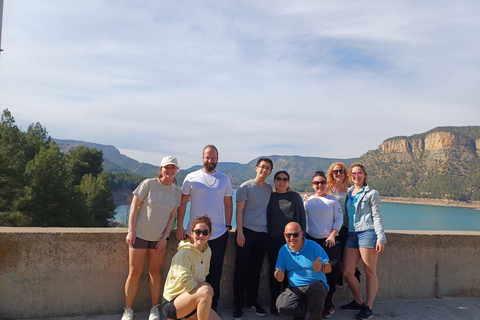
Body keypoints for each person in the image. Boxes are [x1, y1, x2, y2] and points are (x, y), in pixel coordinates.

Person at [122, 156, 182, 320]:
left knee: (154, 272)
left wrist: (165, 237)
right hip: (139, 235)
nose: (169, 171)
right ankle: (128, 309)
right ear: (161, 169)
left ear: (177, 170)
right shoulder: (148, 184)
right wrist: (131, 231)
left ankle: (154, 308)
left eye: (173, 168)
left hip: (158, 239)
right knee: (134, 272)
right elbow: (134, 207)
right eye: (166, 167)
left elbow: (172, 217)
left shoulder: (177, 191)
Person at [176, 145, 234, 311]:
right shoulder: (191, 177)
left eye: (213, 157)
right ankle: (191, 307)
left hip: (218, 235)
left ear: (217, 158)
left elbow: (228, 204)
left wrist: (228, 225)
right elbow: (182, 204)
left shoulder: (224, 179)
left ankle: (211, 308)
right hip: (194, 235)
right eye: (207, 157)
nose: (210, 160)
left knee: (215, 272)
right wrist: (180, 226)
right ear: (203, 158)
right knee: (191, 272)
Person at [341, 163, 387, 320]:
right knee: (347, 271)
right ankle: (358, 302)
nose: (356, 176)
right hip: (352, 234)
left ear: (365, 175)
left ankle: (368, 307)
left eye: (359, 173)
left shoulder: (372, 193)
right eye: (353, 173)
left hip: (367, 233)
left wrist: (380, 238)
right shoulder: (348, 193)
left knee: (369, 271)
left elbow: (377, 216)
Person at [233, 158, 274, 320]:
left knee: (255, 271)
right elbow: (239, 211)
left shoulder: (269, 189)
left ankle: (252, 302)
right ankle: (238, 305)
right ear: (256, 168)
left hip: (262, 235)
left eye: (268, 168)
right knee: (241, 269)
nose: (264, 170)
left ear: (270, 171)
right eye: (262, 167)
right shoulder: (245, 187)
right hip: (247, 233)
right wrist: (240, 232)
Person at [162, 215, 221, 320]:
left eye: (205, 232)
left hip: (191, 297)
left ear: (210, 235)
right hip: (173, 302)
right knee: (205, 291)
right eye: (197, 232)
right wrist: (204, 285)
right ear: (192, 233)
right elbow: (186, 282)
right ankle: (178, 316)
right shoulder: (184, 253)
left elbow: (203, 276)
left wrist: (203, 285)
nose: (201, 235)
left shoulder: (207, 251)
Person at [304, 171, 343, 318]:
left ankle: (329, 298)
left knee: (332, 268)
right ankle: (312, 300)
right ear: (312, 185)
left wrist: (333, 235)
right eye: (316, 183)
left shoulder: (332, 200)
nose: (319, 185)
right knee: (311, 270)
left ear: (326, 184)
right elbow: (300, 216)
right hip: (312, 239)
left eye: (322, 182)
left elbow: (339, 219)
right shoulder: (307, 201)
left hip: (330, 240)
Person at [267, 171, 306, 316]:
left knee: (292, 270)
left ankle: (291, 302)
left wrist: (301, 239)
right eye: (278, 179)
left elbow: (301, 218)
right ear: (274, 181)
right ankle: (275, 302)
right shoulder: (270, 197)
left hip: (293, 239)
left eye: (285, 179)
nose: (281, 182)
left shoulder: (295, 196)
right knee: (276, 271)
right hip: (274, 238)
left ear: (289, 182)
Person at [274, 222, 331, 320]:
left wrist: (321, 266)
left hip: (316, 286)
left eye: (295, 235)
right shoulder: (283, 250)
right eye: (288, 235)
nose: (292, 238)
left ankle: (312, 316)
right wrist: (278, 275)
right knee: (282, 306)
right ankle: (308, 312)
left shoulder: (313, 246)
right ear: (284, 235)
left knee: (316, 288)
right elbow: (278, 270)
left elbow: (328, 268)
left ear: (301, 234)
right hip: (296, 288)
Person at [325, 162, 361, 286]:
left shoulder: (350, 188)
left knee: (348, 258)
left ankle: (349, 274)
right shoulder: (329, 189)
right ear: (332, 174)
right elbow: (318, 198)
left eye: (341, 171)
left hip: (348, 228)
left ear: (345, 173)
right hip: (334, 229)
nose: (338, 174)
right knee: (336, 258)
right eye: (335, 171)